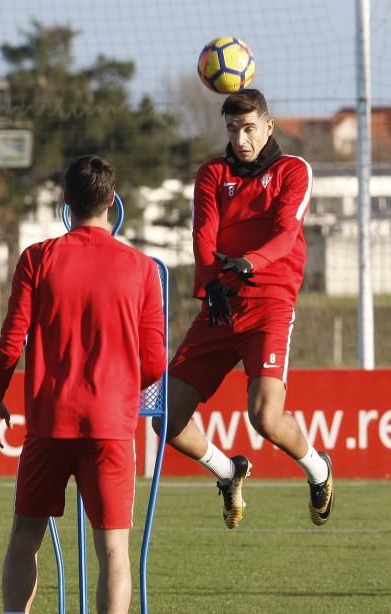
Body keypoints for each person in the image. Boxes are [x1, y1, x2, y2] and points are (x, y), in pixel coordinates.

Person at [0, 154, 166, 614]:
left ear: (66, 204)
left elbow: (11, 341)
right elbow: (156, 361)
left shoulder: (38, 257)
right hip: (111, 426)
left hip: (48, 421)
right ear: (112, 203)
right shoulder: (140, 268)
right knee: (113, 550)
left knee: (24, 537)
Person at [153, 88, 333, 530]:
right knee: (165, 419)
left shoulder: (293, 170)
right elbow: (203, 233)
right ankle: (228, 471)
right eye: (233, 129)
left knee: (265, 418)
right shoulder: (212, 173)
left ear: (268, 126)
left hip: (270, 303)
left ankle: (319, 470)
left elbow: (287, 233)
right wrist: (210, 282)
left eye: (249, 128)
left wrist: (252, 262)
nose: (241, 139)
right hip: (221, 303)